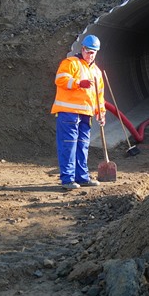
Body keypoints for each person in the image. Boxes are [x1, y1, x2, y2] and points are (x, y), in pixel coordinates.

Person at [51, 34, 106, 190]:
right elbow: (60, 80)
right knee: (68, 146)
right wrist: (78, 83)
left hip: (85, 115)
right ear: (82, 49)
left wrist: (101, 113)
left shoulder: (96, 72)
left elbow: (99, 96)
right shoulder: (70, 63)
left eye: (93, 52)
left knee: (82, 146)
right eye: (88, 51)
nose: (90, 55)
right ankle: (68, 179)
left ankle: (82, 177)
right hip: (68, 113)